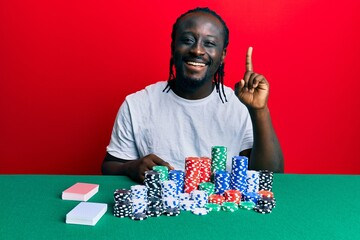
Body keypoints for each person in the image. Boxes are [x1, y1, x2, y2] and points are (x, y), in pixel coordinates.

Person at [102, 7, 284, 183]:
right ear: (173, 48)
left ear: (222, 55)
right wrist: (131, 167)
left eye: (210, 43)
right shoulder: (136, 104)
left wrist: (259, 111)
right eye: (188, 40)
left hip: (221, 211)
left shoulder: (239, 105)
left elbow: (270, 173)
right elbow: (109, 166)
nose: (197, 50)